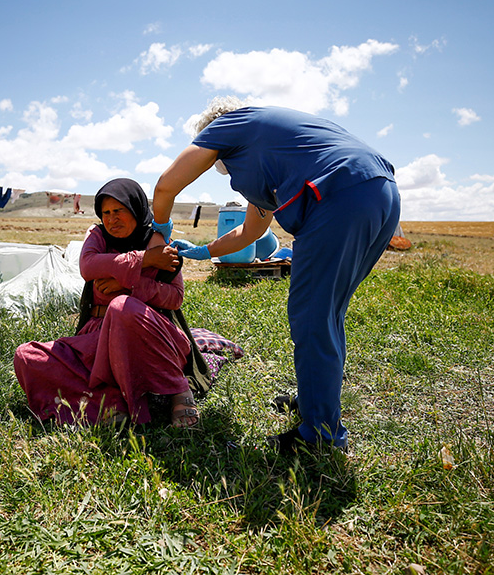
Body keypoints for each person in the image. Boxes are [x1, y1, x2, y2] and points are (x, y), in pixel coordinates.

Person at [152, 97, 401, 454]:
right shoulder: (272, 149)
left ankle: (320, 436)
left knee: (312, 317)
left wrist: (160, 230)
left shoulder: (229, 125)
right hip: (379, 192)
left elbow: (165, 186)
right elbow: (251, 232)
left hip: (335, 198)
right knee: (328, 314)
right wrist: (204, 251)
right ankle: (315, 400)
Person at [13, 178, 200, 428]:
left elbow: (174, 297)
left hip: (147, 335)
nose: (112, 219)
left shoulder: (159, 243)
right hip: (97, 337)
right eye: (106, 213)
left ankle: (178, 388)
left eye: (119, 211)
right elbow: (88, 265)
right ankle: (110, 402)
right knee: (27, 356)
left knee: (122, 306)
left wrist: (129, 288)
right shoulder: (99, 235)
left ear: (135, 209)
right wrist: (144, 260)